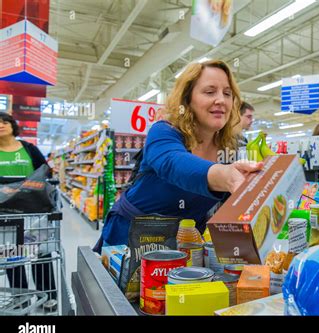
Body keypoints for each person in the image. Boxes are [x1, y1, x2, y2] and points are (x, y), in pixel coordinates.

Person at [96, 60, 263, 249]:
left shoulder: (229, 147)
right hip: (131, 238)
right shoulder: (164, 131)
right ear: (187, 99)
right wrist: (224, 176)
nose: (221, 100)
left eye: (227, 93)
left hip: (187, 242)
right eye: (209, 92)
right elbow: (172, 162)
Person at [0, 112, 55, 303]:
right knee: (11, 253)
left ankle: (48, 295)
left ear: (12, 125)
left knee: (40, 251)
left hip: (34, 209)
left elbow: (45, 170)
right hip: (5, 211)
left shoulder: (28, 148)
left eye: (5, 121)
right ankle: (20, 296)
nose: (1, 125)